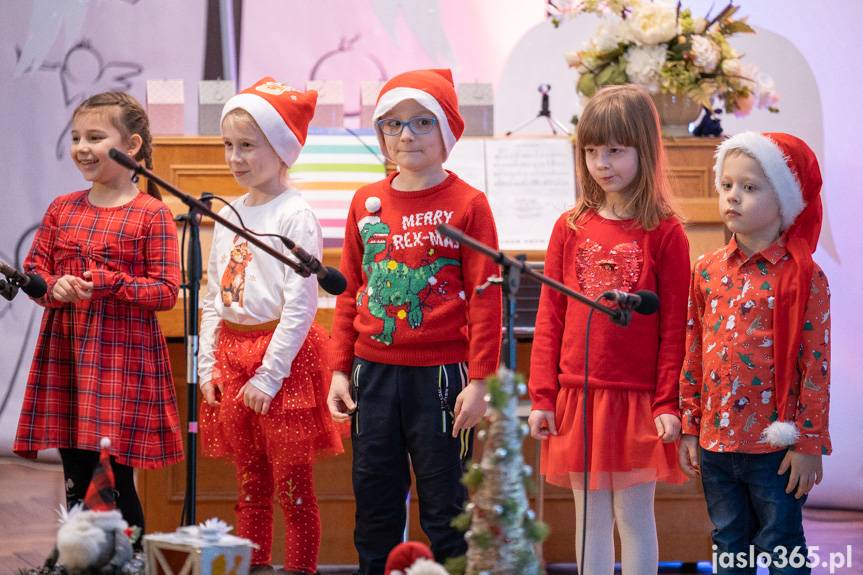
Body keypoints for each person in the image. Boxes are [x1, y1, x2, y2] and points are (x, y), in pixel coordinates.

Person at [326, 68, 502, 574]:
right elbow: (348, 290)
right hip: (373, 374)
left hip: (443, 378)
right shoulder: (364, 201)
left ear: (447, 130)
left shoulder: (469, 204)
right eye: (393, 124)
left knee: (447, 509)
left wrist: (483, 379)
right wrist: (340, 369)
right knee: (376, 508)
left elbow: (487, 298)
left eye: (423, 122)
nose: (407, 135)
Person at [527, 84, 690, 574]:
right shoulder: (569, 227)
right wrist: (542, 396)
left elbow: (674, 329)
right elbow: (549, 317)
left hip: (636, 399)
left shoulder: (666, 231)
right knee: (589, 520)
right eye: (592, 151)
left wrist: (667, 402)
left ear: (644, 148)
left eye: (615, 150)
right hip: (579, 397)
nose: (602, 163)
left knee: (633, 516)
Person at [14, 91, 183, 536]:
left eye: (94, 136)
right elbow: (35, 272)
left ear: (130, 146)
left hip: (121, 361)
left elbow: (166, 291)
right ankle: (77, 557)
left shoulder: (152, 214)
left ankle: (129, 559)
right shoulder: (62, 207)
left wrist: (108, 284)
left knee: (114, 479)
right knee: (76, 471)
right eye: (75, 138)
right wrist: (56, 287)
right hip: (68, 354)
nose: (82, 148)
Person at [198, 77, 343, 575]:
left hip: (279, 360)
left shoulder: (295, 214)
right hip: (232, 356)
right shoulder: (229, 211)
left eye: (247, 146)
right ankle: (252, 567)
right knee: (249, 485)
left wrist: (268, 375)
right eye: (229, 146)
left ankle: (300, 570)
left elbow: (301, 307)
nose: (235, 158)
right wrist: (207, 366)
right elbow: (214, 292)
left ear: (281, 149)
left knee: (293, 489)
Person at [679, 132, 830, 575]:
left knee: (782, 543)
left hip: (774, 449)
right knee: (728, 543)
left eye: (750, 187)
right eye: (727, 185)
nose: (733, 197)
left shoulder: (805, 277)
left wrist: (808, 443)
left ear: (784, 200)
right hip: (716, 443)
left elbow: (816, 365)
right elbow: (694, 349)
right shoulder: (705, 270)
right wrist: (691, 424)